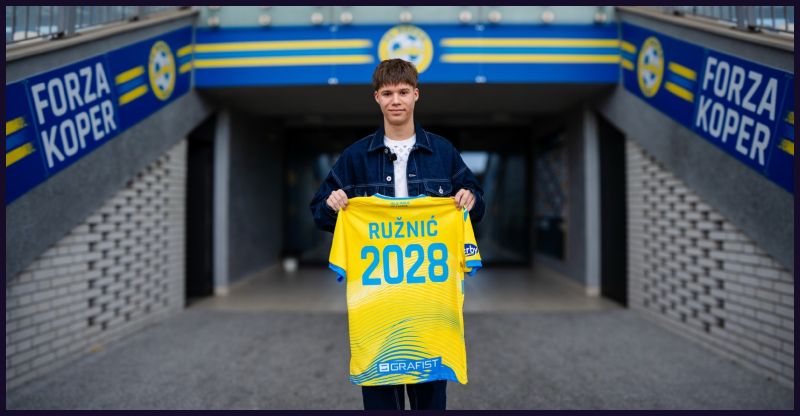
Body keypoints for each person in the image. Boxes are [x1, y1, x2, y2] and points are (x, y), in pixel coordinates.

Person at [309, 58, 485, 410]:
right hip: (377, 311)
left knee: (429, 405)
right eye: (387, 93)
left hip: (430, 308)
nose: (396, 101)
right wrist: (332, 203)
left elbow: (477, 206)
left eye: (403, 92)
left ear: (416, 95)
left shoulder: (443, 152)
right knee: (381, 405)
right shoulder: (355, 156)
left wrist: (470, 198)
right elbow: (318, 212)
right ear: (377, 97)